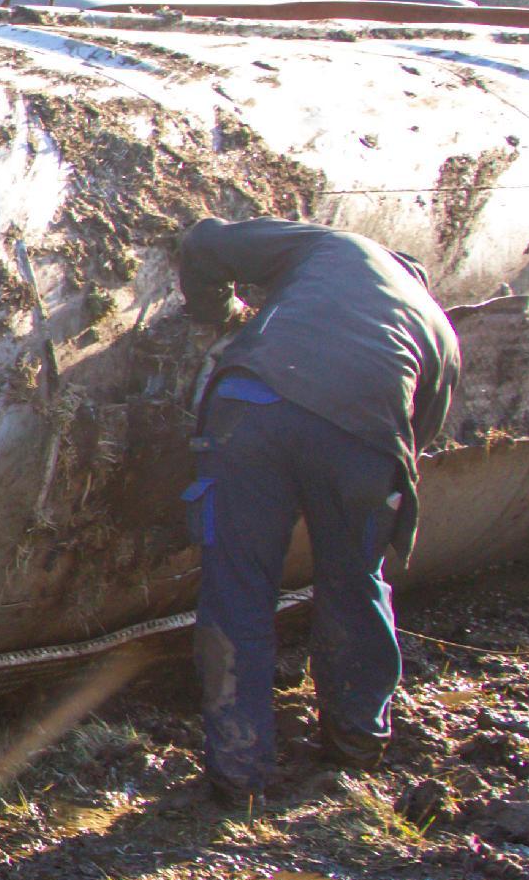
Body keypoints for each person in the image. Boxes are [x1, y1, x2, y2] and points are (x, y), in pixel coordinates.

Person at [177, 217, 462, 806]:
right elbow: (414, 441)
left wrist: (219, 313)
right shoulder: (438, 328)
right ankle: (355, 742)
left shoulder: (337, 247)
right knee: (355, 581)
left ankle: (238, 774)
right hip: (363, 440)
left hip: (252, 408)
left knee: (238, 586)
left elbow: (205, 242)